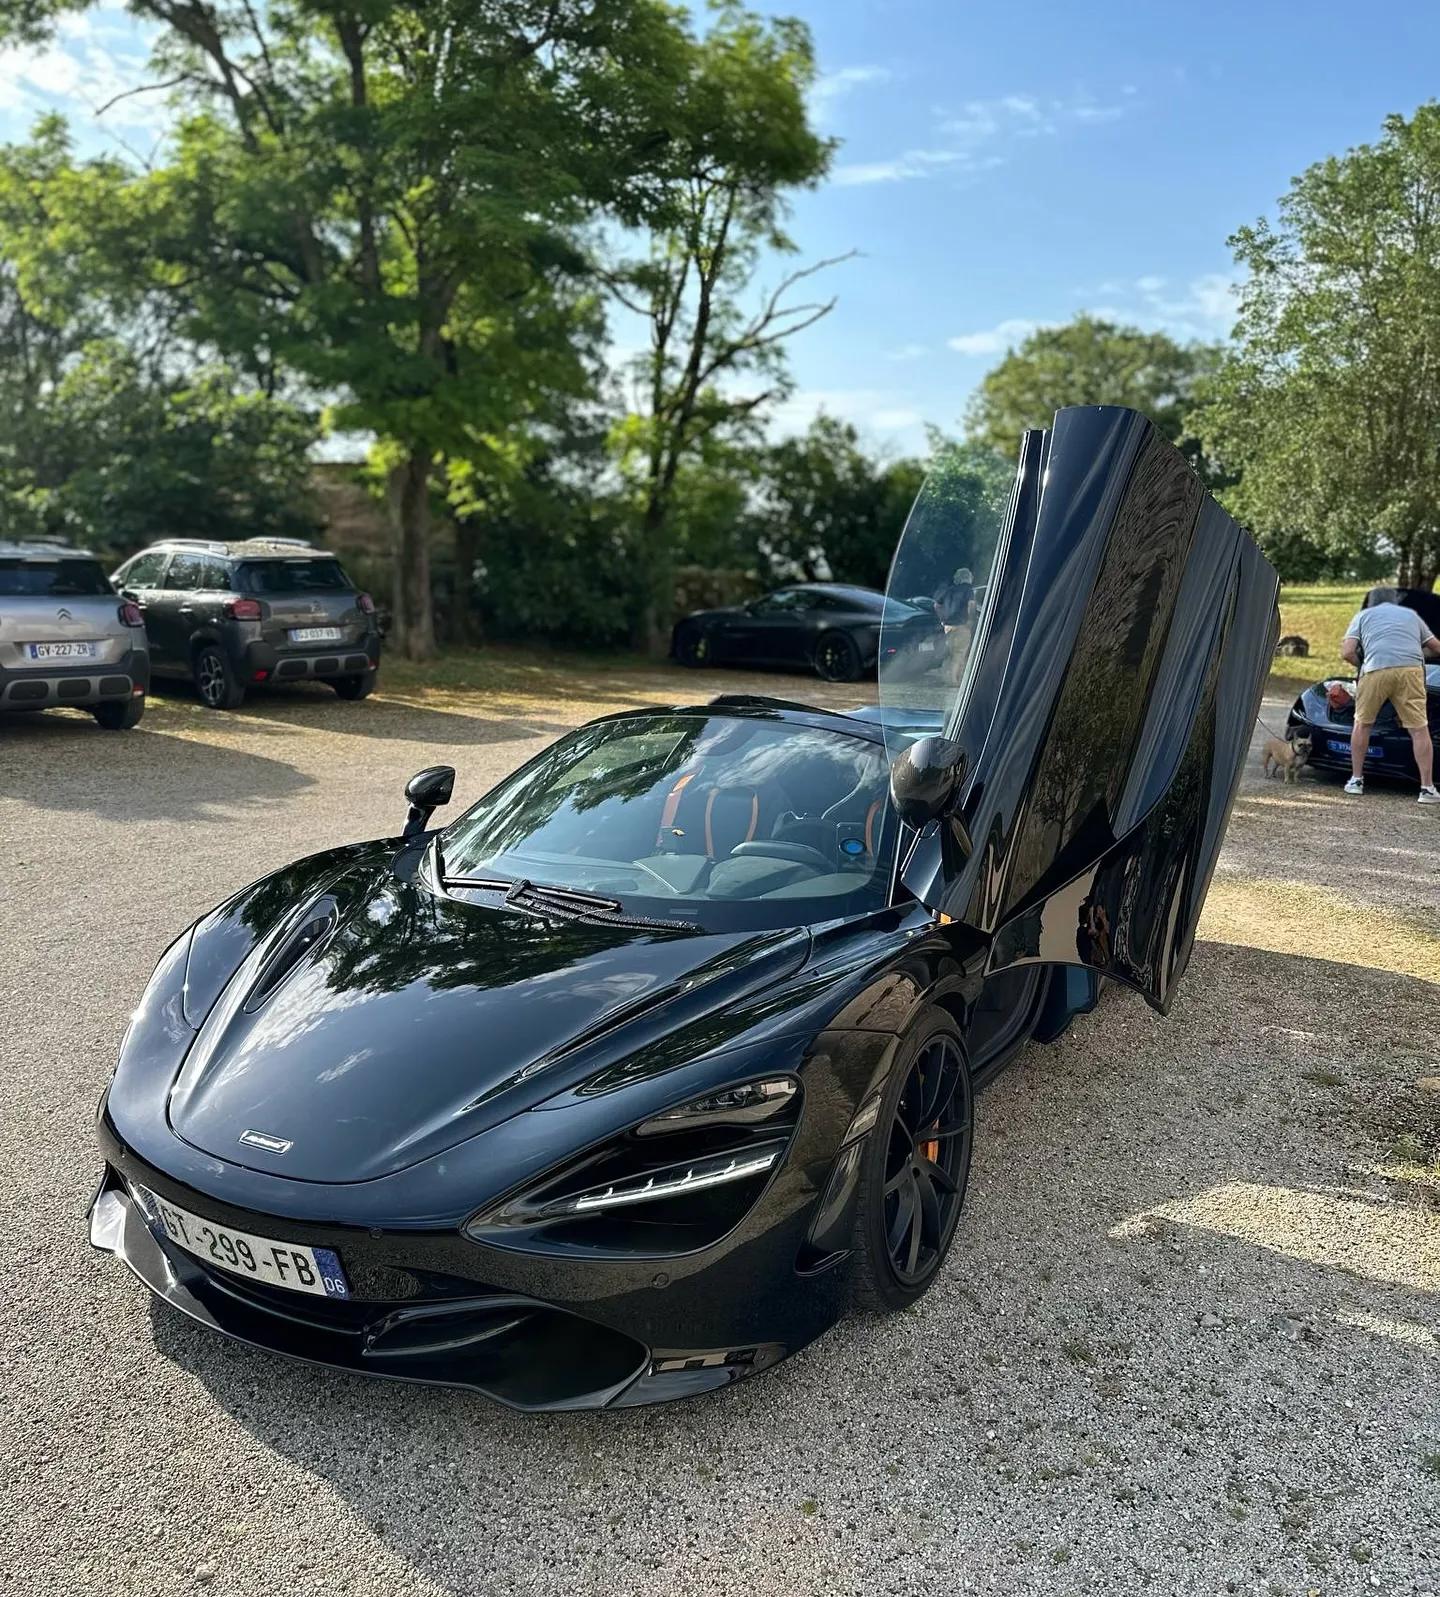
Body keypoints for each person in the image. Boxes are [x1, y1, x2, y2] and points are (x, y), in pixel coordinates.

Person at [1339, 599, 1440, 802]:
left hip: (1375, 668)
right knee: (1419, 729)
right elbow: (1437, 648)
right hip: (1410, 671)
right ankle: (1427, 789)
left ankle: (1356, 781)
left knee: (1362, 724)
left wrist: (1361, 665)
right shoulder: (1412, 615)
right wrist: (1417, 654)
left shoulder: (1362, 616)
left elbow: (1347, 652)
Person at [933, 566, 975, 684]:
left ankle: (949, 678)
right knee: (959, 654)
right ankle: (954, 681)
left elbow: (936, 605)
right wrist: (971, 620)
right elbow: (971, 605)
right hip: (962, 625)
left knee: (951, 653)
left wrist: (942, 619)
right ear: (967, 577)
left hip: (948, 627)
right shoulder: (968, 589)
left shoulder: (949, 590)